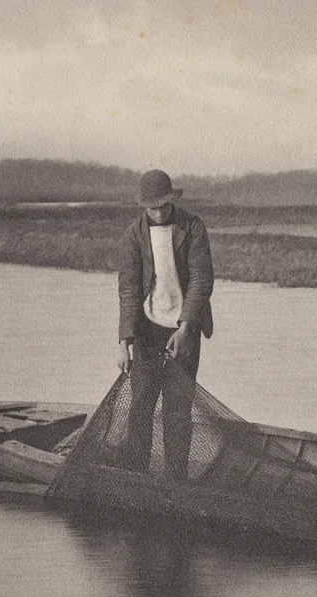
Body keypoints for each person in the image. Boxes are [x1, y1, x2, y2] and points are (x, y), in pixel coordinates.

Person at [115, 169, 214, 479]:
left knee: (178, 409)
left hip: (184, 329)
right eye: (152, 207)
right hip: (146, 330)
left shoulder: (193, 227)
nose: (158, 213)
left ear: (172, 200)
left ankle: (175, 478)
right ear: (144, 206)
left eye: (163, 205)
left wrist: (185, 328)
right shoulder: (133, 235)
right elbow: (129, 290)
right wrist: (123, 343)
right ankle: (135, 476)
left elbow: (201, 280)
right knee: (141, 405)